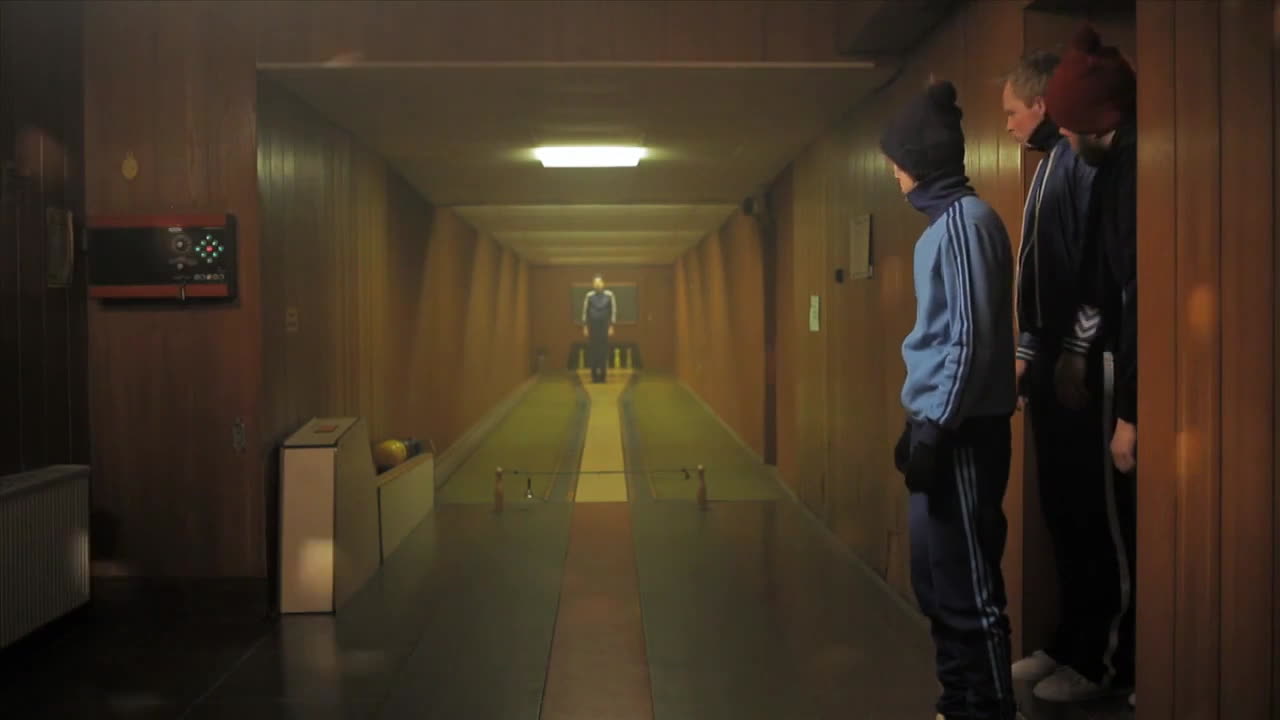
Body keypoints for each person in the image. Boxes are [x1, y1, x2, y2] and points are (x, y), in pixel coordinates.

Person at [884, 79, 1017, 720]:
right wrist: (918, 423)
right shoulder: (941, 228)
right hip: (939, 423)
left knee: (967, 587)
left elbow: (969, 337)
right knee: (936, 583)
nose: (895, 175)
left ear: (921, 160)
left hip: (963, 433)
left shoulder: (965, 224)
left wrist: (936, 427)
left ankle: (988, 708)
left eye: (897, 162)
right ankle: (958, 700)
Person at [999, 50, 1113, 701]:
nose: (1009, 124)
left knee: (1089, 513)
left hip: (1080, 364)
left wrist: (1074, 349)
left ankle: (1098, 661)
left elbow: (1094, 271)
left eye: (1013, 111)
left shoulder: (1080, 163)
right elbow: (1039, 276)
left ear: (1042, 104)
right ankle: (1067, 642)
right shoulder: (1048, 165)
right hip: (1049, 360)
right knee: (1060, 511)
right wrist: (1026, 350)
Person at [1036, 24, 1138, 706]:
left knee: (1115, 532)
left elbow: (1135, 298)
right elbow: (1101, 286)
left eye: (1072, 129)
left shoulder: (1134, 176)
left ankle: (1113, 669)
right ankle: (1092, 653)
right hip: (1099, 366)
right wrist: (1075, 349)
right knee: (1087, 522)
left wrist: (1130, 410)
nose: (1065, 141)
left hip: (1120, 381)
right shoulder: (1109, 175)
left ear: (1102, 122)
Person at [580, 274, 616, 383]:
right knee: (593, 352)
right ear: (593, 284)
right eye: (595, 282)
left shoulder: (609, 295)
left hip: (604, 327)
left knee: (603, 352)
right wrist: (585, 326)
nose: (597, 284)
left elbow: (613, 310)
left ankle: (603, 377)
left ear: (603, 283)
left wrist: (611, 326)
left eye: (599, 282)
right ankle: (594, 377)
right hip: (593, 327)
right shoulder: (589, 295)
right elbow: (585, 311)